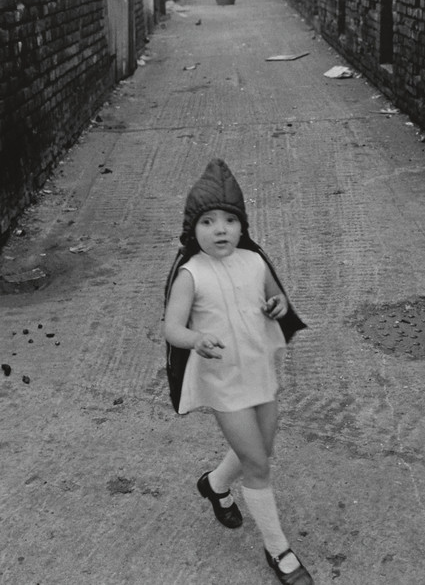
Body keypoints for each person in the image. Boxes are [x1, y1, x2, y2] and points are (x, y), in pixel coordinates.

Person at [164, 159, 313, 585]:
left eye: (230, 219)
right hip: (223, 380)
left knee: (262, 450)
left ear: (242, 224)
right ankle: (279, 552)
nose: (221, 229)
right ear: (192, 229)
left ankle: (213, 485)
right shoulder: (191, 275)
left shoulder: (255, 262)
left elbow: (276, 299)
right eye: (208, 221)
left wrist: (278, 305)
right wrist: (195, 340)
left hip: (259, 371)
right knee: (257, 464)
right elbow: (171, 328)